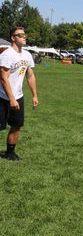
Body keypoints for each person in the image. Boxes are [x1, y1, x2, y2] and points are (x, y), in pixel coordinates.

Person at [0, 27, 39, 161]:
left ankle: (10, 153)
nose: (24, 37)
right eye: (20, 35)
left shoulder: (27, 55)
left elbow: (30, 75)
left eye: (24, 34)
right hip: (3, 97)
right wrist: (11, 99)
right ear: (13, 38)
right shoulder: (7, 54)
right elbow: (3, 78)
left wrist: (34, 95)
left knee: (17, 125)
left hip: (18, 96)